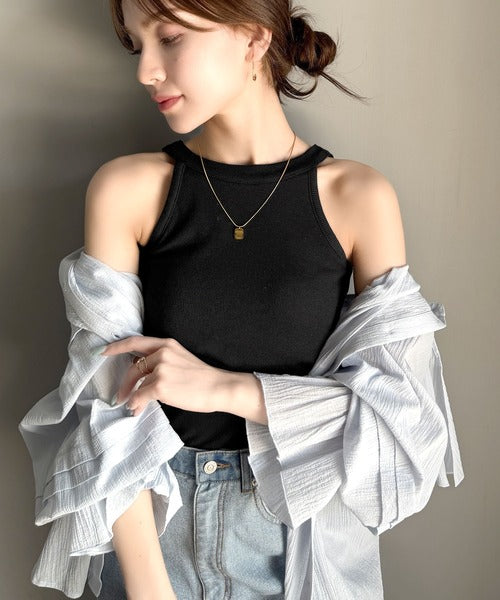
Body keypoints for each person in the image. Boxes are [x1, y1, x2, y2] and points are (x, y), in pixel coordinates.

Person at [84, 0, 409, 598]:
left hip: (305, 535)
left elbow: (397, 419)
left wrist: (222, 388)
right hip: (157, 528)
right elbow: (105, 409)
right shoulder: (127, 190)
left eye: (169, 38)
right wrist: (149, 588)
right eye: (136, 44)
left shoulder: (359, 197)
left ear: (254, 39)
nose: (145, 70)